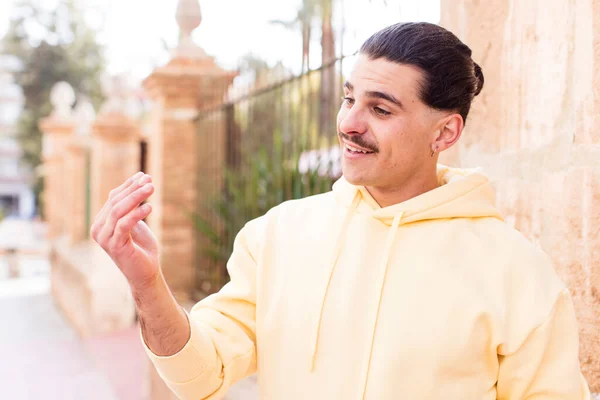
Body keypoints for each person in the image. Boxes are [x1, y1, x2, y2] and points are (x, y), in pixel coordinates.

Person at [91, 22, 591, 399]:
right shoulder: (277, 235)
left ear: (445, 133)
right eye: (349, 98)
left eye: (380, 108)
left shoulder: (515, 270)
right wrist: (147, 284)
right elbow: (201, 376)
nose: (349, 122)